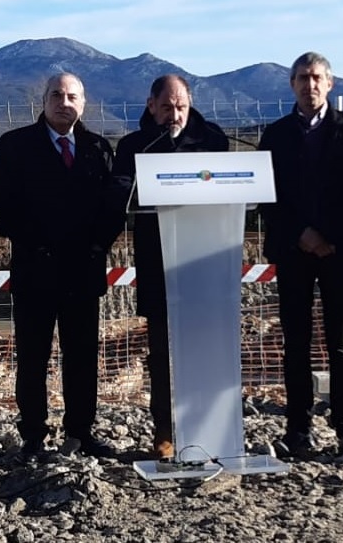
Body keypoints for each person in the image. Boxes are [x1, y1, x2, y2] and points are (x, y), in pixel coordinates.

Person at [0, 73, 126, 459]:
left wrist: (98, 245)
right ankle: (33, 434)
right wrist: (37, 244)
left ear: (83, 103)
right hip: (36, 268)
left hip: (84, 269)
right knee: (33, 357)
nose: (65, 102)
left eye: (72, 96)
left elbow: (113, 206)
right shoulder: (15, 146)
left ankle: (81, 431)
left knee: (82, 356)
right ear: (43, 100)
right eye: (57, 95)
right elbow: (2, 202)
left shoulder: (99, 148)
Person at [257, 52, 343, 459]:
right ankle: (298, 430)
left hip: (340, 249)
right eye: (302, 78)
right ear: (292, 85)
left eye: (317, 78)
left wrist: (328, 236)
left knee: (342, 344)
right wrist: (302, 234)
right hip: (293, 251)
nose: (310, 85)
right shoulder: (275, 135)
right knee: (296, 343)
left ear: (330, 83)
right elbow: (266, 195)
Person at [111, 74, 229, 459]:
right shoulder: (134, 145)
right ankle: (164, 431)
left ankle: (209, 426)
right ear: (151, 106)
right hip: (158, 260)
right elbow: (123, 192)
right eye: (167, 107)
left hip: (204, 258)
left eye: (181, 106)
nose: (175, 114)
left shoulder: (213, 141)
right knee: (161, 351)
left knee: (205, 345)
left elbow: (226, 190)